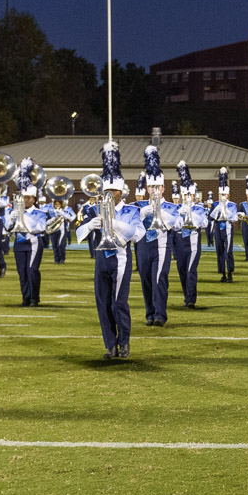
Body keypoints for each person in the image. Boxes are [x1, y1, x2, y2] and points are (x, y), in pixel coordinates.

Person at [74, 142, 147, 358]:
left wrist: (113, 224)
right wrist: (90, 225)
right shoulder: (93, 208)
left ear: (121, 192)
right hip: (101, 259)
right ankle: (110, 345)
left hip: (121, 258)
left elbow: (138, 233)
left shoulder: (131, 210)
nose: (109, 194)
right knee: (103, 303)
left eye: (113, 190)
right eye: (107, 190)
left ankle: (124, 342)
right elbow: (79, 233)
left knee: (118, 303)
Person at [136, 146, 181, 326]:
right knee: (146, 280)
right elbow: (131, 226)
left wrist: (159, 212)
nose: (154, 190)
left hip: (161, 246)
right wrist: (141, 214)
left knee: (159, 280)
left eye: (158, 187)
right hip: (143, 247)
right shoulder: (138, 206)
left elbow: (177, 224)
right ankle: (150, 314)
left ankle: (160, 314)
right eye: (151, 186)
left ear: (163, 188)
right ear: (147, 188)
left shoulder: (170, 206)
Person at [3, 160, 48, 307]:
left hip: (34, 243)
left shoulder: (40, 212)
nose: (25, 200)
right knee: (22, 272)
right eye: (23, 198)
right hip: (19, 243)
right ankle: (26, 297)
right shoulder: (15, 211)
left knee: (32, 270)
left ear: (34, 198)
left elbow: (40, 228)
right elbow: (8, 227)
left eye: (28, 198)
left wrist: (24, 217)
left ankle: (35, 297)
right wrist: (12, 216)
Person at [172, 161, 207, 309]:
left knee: (190, 270)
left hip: (193, 243)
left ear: (193, 195)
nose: (187, 196)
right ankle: (187, 296)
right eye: (185, 194)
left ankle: (191, 299)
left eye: (190, 194)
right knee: (181, 270)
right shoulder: (176, 208)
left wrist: (191, 213)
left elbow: (204, 223)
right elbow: (174, 225)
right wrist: (180, 215)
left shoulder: (199, 208)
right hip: (180, 242)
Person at [210, 168, 239, 282]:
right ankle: (222, 273)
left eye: (224, 194)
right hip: (218, 228)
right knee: (220, 251)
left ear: (228, 195)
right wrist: (218, 208)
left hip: (227, 228)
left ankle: (230, 273)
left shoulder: (232, 205)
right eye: (220, 194)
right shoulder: (215, 204)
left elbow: (235, 218)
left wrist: (226, 211)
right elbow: (211, 217)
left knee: (228, 251)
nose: (222, 196)